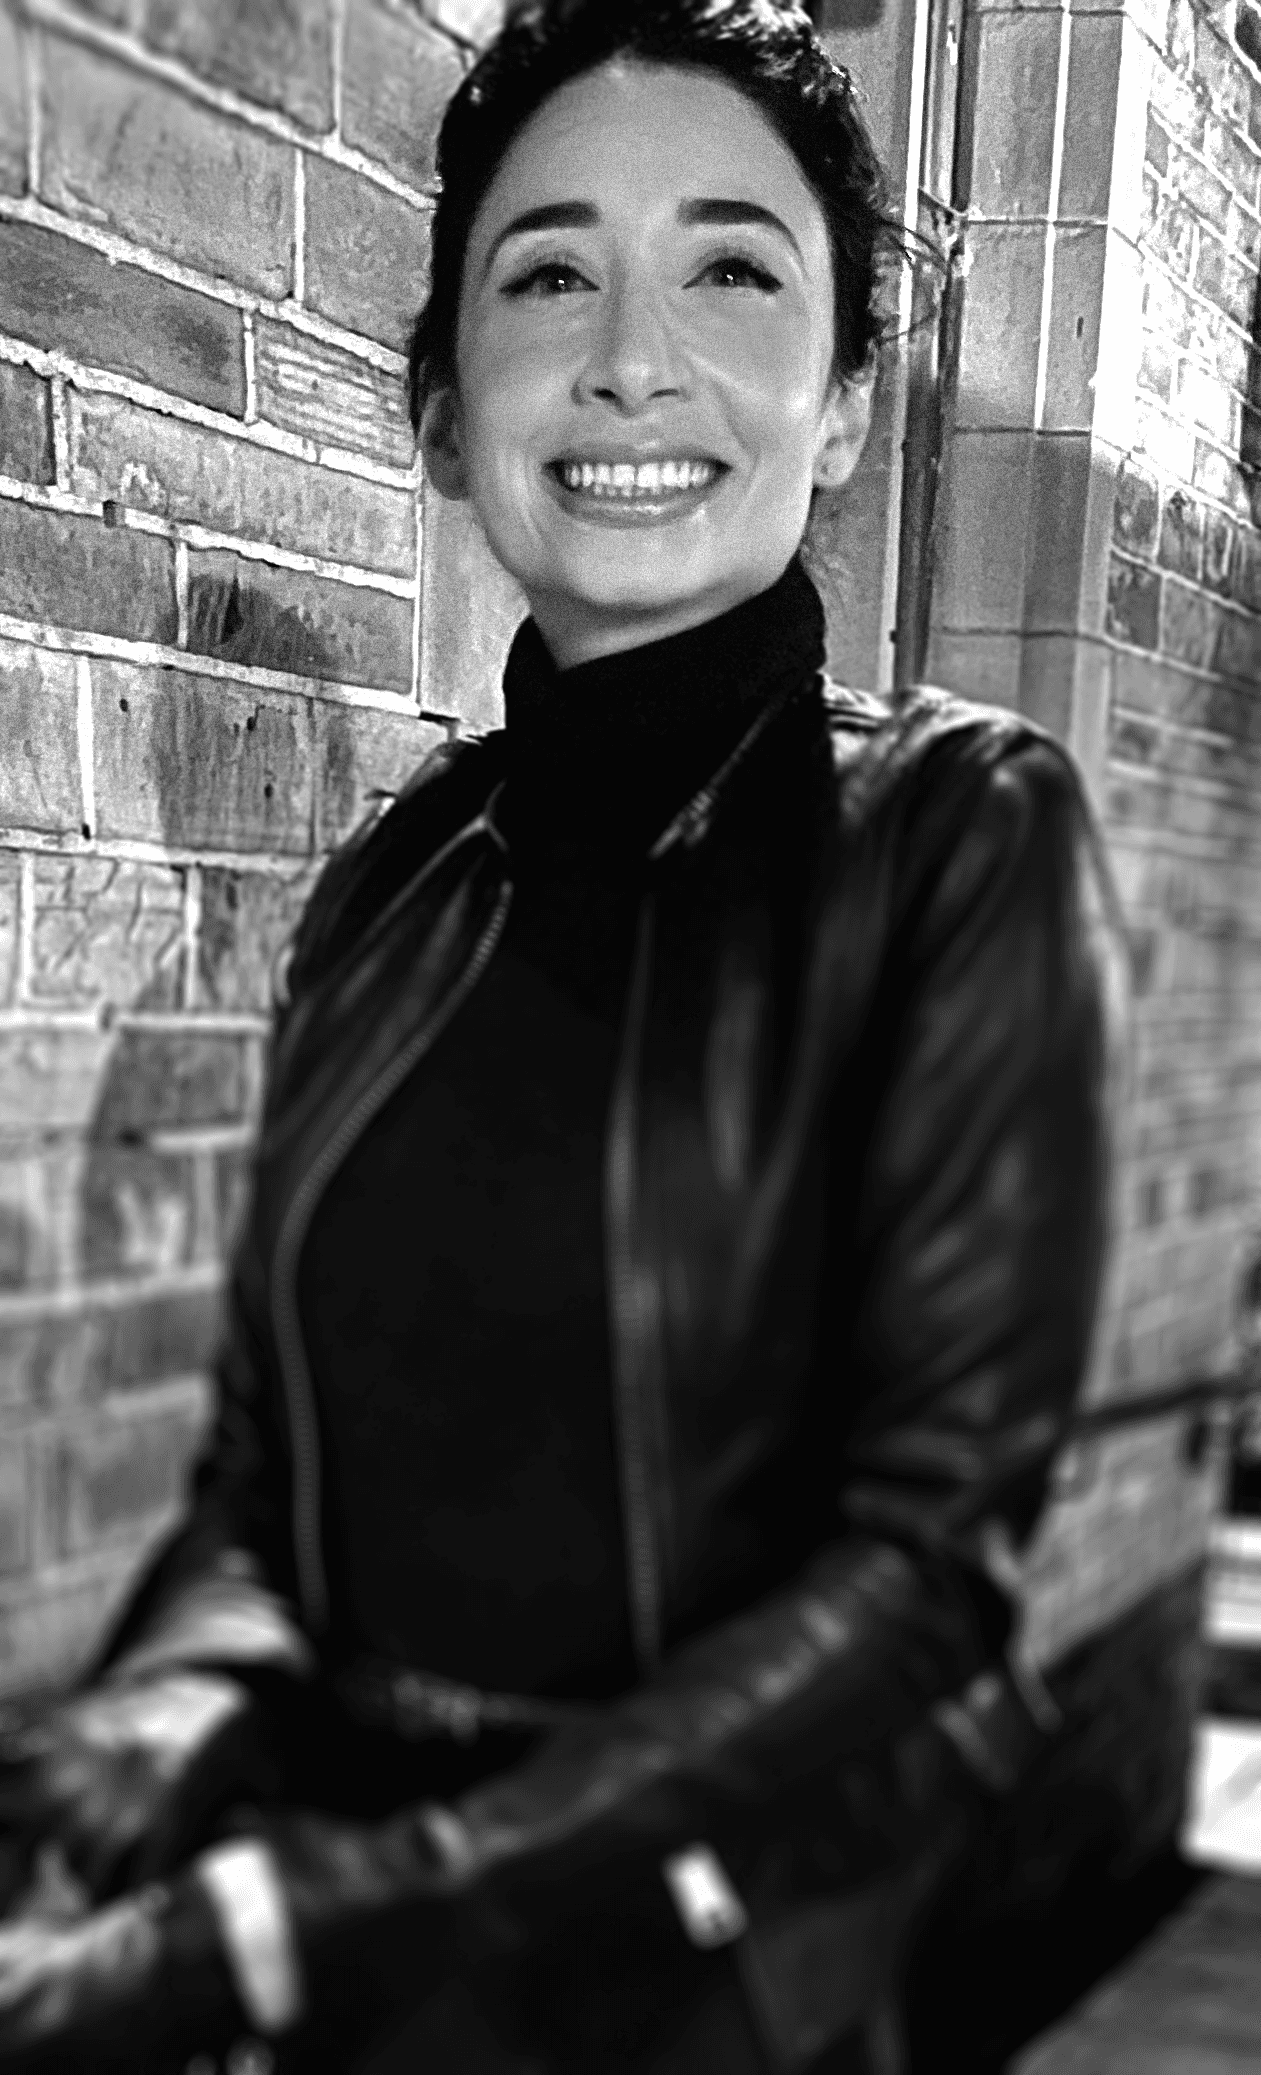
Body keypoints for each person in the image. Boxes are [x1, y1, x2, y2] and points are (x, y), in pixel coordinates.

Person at [0, 3, 1125, 2070]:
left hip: (702, 1988)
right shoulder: (398, 878)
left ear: (853, 398)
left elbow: (923, 1570)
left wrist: (329, 1911)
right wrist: (159, 1724)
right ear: (444, 410)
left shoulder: (966, 836)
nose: (630, 354)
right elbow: (267, 1463)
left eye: (730, 266)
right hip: (327, 1957)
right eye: (546, 273)